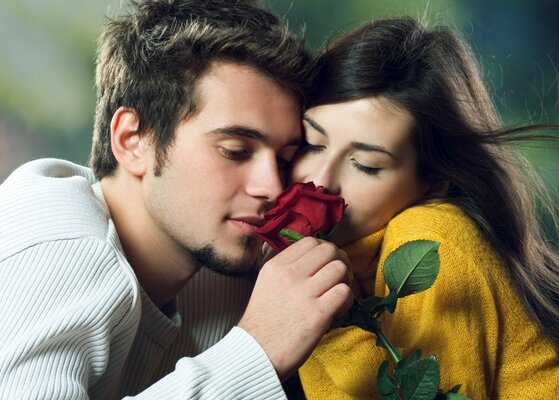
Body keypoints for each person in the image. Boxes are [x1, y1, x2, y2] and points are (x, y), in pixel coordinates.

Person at [0, 1, 354, 399]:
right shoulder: (69, 251)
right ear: (132, 141)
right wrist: (257, 351)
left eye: (285, 159)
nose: (272, 188)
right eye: (235, 151)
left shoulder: (217, 269)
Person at [291, 16, 559, 399]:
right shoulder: (352, 257)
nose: (320, 180)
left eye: (366, 165)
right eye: (309, 143)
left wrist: (330, 324)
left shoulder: (431, 239)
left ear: (433, 182)